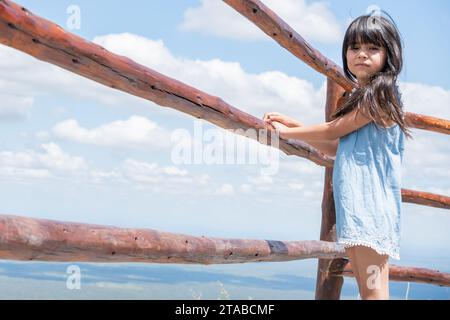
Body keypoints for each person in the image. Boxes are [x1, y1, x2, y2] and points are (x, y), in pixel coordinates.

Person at [262, 11, 413, 300]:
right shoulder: (362, 94)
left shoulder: (382, 95)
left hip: (371, 209)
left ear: (389, 55)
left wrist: (288, 132)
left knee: (373, 293)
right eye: (354, 47)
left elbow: (335, 129)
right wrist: (295, 125)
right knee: (368, 290)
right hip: (358, 209)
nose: (362, 55)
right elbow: (339, 148)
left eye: (372, 48)